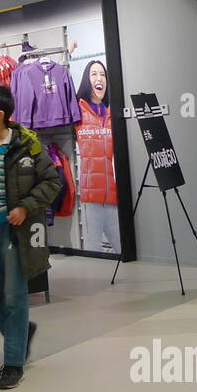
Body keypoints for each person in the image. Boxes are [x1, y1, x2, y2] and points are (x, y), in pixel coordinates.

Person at [0, 86, 64, 389]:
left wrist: (24, 207)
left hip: (16, 231)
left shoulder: (27, 145)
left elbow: (52, 181)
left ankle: (13, 364)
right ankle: (20, 334)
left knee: (15, 295)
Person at [74, 60, 120, 252]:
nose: (99, 78)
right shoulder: (77, 112)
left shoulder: (113, 113)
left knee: (122, 248)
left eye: (102, 74)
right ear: (87, 79)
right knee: (93, 250)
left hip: (114, 198)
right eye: (94, 74)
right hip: (91, 197)